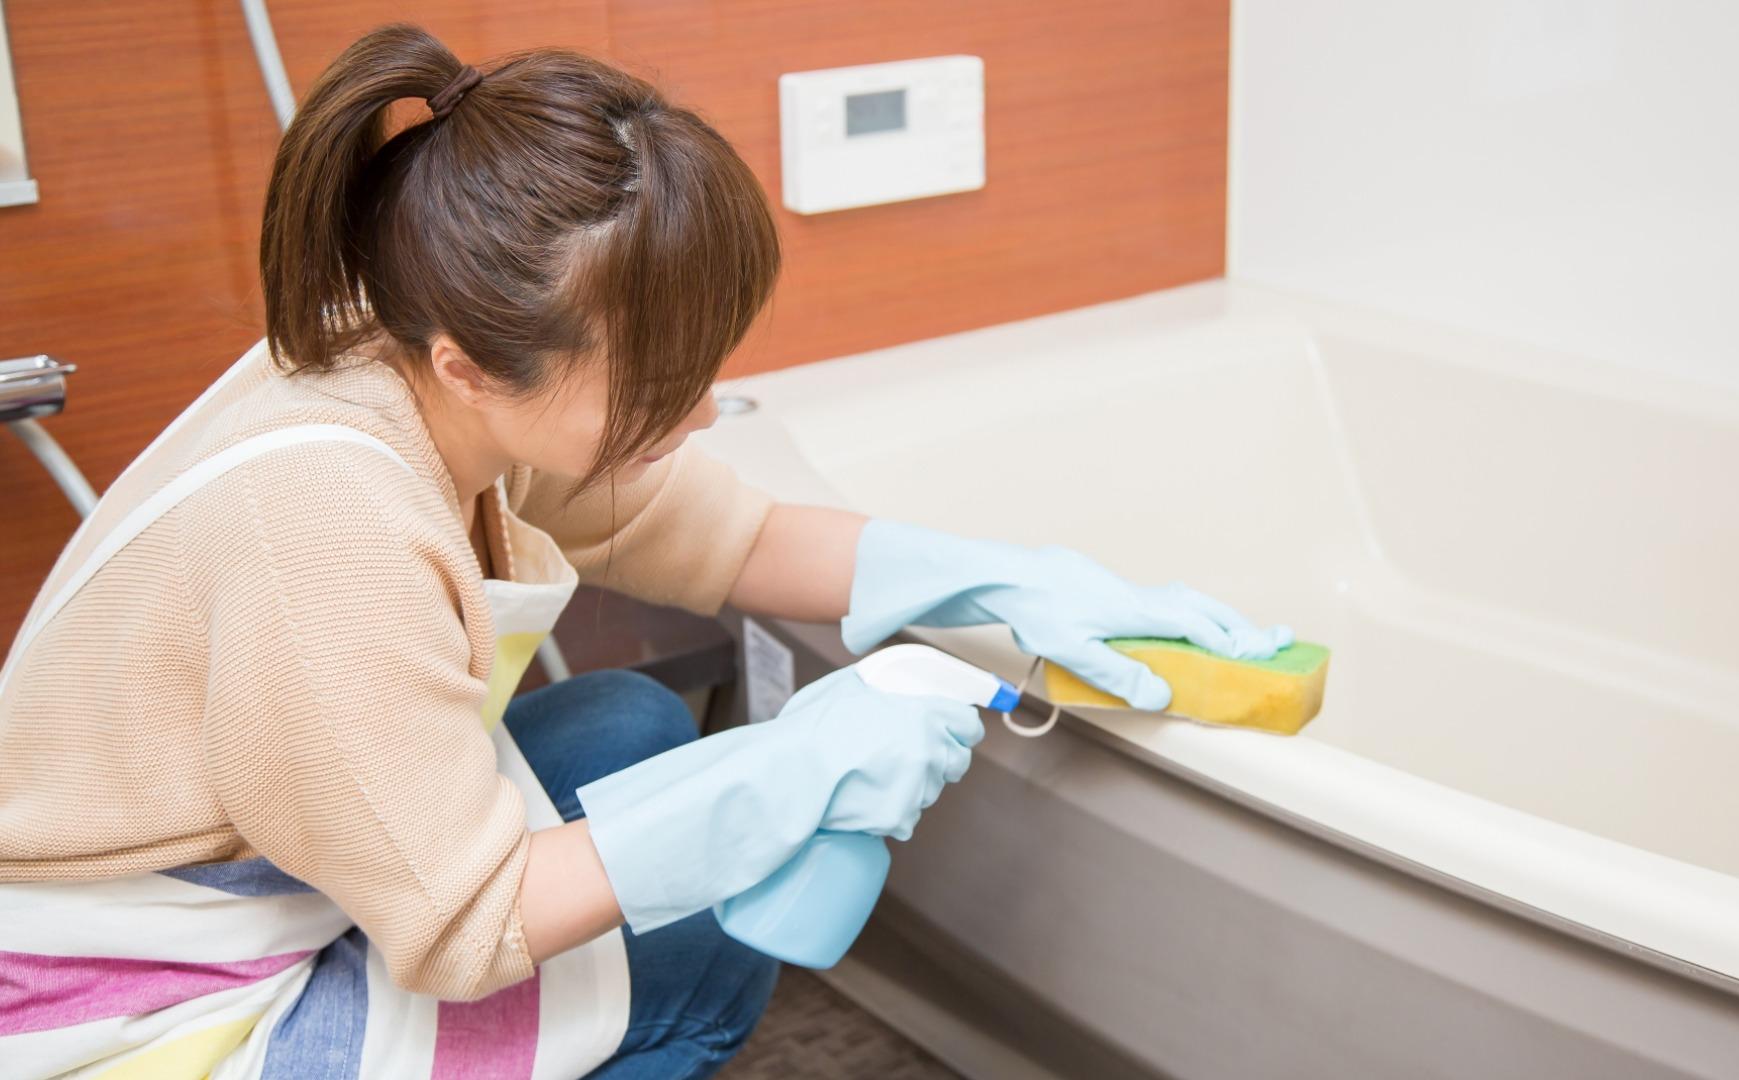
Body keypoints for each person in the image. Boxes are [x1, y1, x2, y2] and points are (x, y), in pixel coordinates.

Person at [0, 24, 1287, 1079]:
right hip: (130, 1001)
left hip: (277, 887)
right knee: (712, 948)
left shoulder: (431, 344)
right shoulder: (326, 526)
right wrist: (783, 776)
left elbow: (735, 538)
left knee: (629, 725)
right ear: (472, 365)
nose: (704, 410)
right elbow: (466, 928)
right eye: (661, 382)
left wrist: (1009, 580)